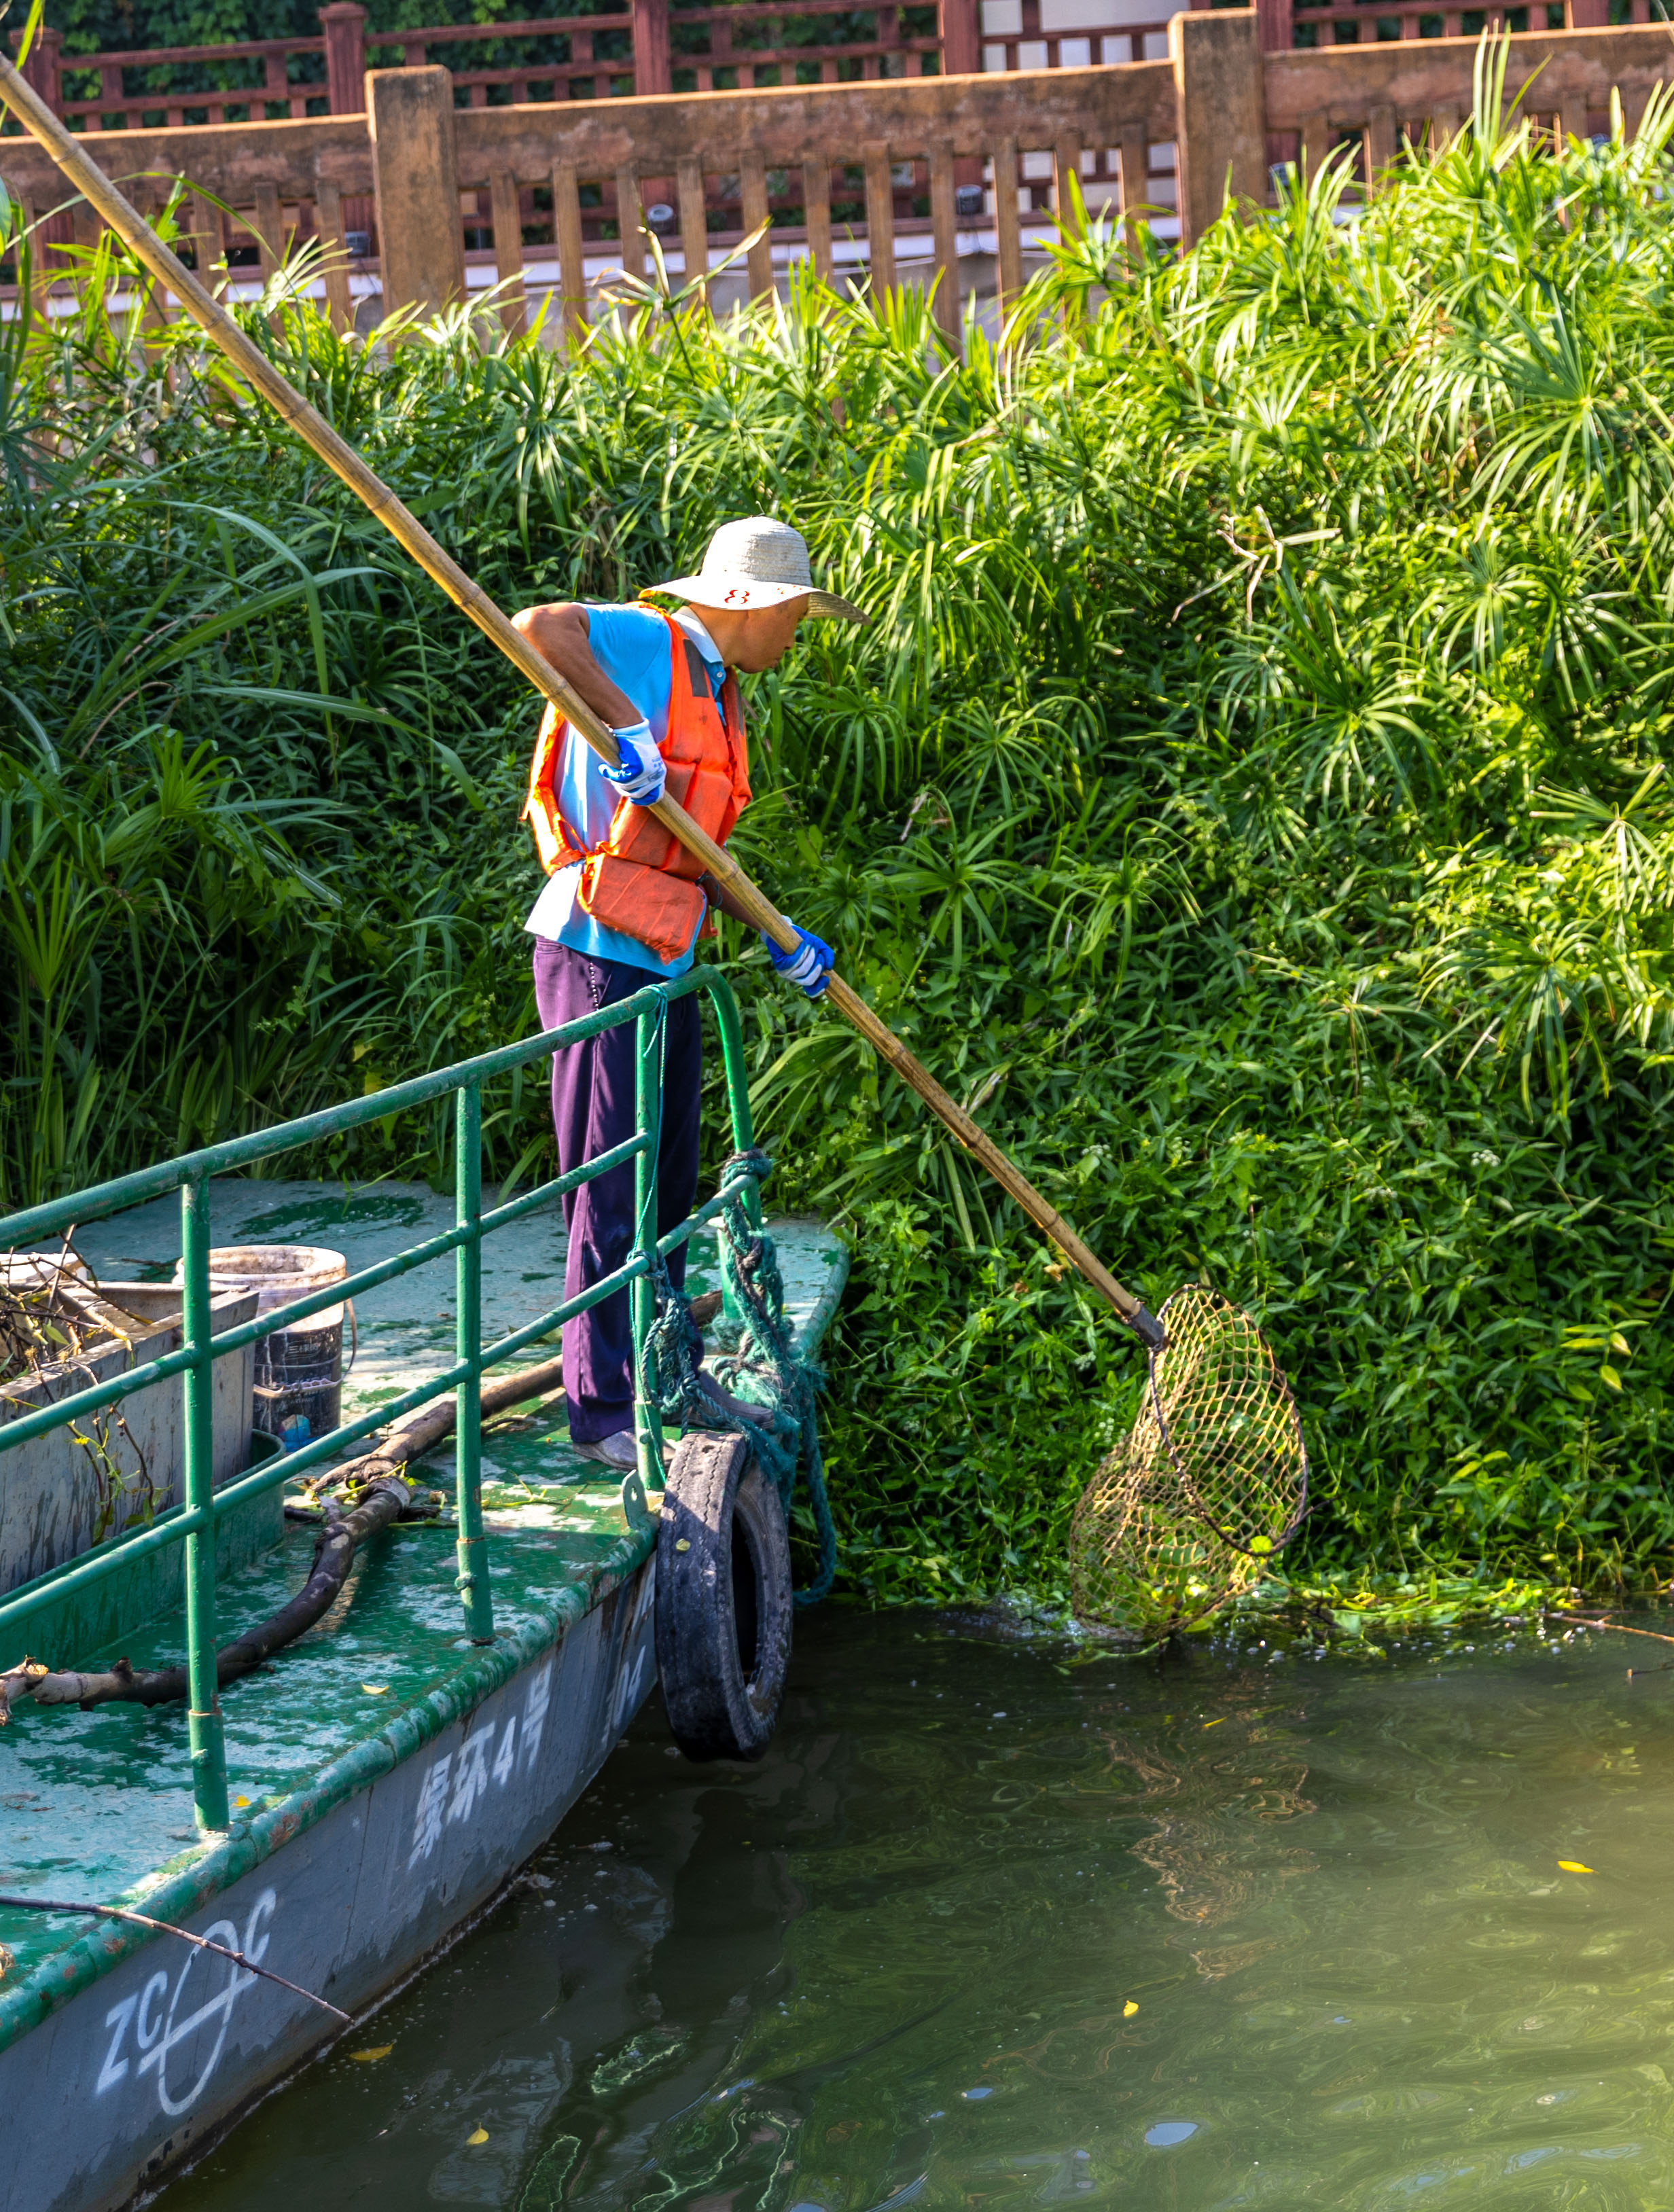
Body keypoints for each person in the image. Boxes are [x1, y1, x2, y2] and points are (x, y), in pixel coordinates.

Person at [513, 517, 867, 1470]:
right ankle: (600, 1406)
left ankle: (667, 1366)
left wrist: (778, 938)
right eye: (795, 614)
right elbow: (539, 627)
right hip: (596, 948)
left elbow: (692, 847)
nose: (798, 633)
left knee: (669, 1179)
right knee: (611, 1179)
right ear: (753, 606)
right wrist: (626, 729)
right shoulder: (653, 641)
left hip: (663, 953)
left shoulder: (724, 692)